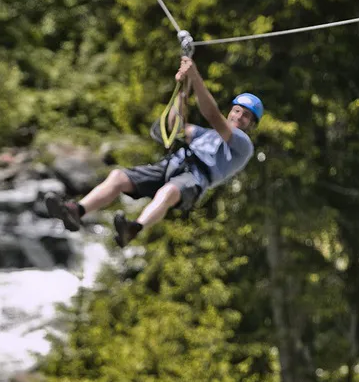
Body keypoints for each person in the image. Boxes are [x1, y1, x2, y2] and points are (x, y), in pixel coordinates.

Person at [44, 56, 263, 247]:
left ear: (251, 125)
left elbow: (212, 115)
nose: (238, 117)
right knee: (118, 177)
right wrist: (182, 91)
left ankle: (134, 228)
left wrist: (195, 76)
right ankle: (77, 210)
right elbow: (175, 125)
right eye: (237, 111)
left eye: (246, 116)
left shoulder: (243, 144)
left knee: (168, 192)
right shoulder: (204, 134)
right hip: (171, 165)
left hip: (195, 178)